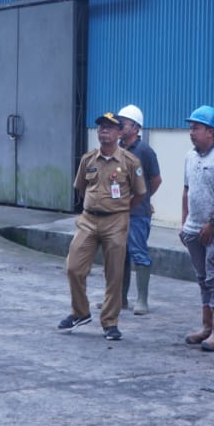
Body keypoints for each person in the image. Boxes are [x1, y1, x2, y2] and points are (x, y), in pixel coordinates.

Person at [57, 112, 147, 342]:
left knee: (114, 274)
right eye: (100, 127)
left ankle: (110, 322)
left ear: (119, 133)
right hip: (88, 220)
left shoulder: (130, 161)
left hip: (116, 221)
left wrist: (122, 210)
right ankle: (80, 312)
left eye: (109, 127)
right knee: (73, 267)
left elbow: (140, 193)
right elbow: (80, 187)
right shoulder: (88, 159)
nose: (103, 131)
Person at [179, 105, 214, 351]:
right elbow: (186, 191)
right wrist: (184, 224)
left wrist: (213, 222)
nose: (192, 132)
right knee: (202, 278)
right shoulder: (189, 156)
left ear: (211, 131)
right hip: (193, 229)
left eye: (197, 128)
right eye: (191, 128)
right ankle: (207, 327)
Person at [117, 104, 162, 315]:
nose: (119, 126)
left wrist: (142, 199)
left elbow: (156, 180)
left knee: (138, 253)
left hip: (137, 213)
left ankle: (142, 300)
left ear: (135, 127)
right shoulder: (117, 149)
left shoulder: (145, 151)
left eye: (123, 123)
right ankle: (120, 298)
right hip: (117, 213)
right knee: (119, 255)